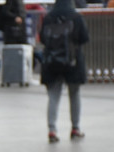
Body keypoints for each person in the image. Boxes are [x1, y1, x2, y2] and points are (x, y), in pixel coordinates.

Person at [40, 0, 89, 143]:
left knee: (53, 97)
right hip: (72, 62)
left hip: (52, 62)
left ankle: (52, 130)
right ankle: (75, 128)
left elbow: (43, 38)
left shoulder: (48, 17)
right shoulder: (76, 17)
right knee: (74, 94)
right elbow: (84, 38)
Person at [0, 0, 28, 72]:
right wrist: (15, 17)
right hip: (13, 32)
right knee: (9, 53)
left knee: (17, 52)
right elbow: (5, 11)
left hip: (19, 31)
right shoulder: (12, 1)